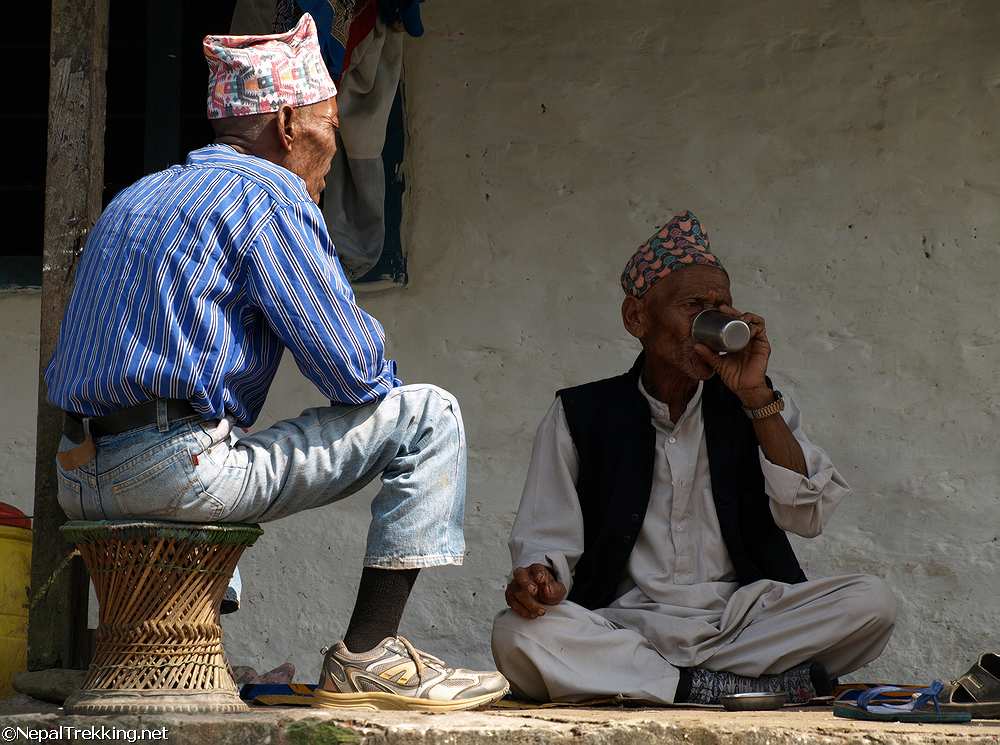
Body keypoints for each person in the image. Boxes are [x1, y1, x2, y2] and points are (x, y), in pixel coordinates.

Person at [45, 14, 507, 712]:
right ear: (289, 124)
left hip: (77, 473)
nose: (335, 141)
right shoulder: (269, 194)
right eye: (328, 121)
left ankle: (199, 654)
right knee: (428, 415)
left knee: (220, 432)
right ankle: (369, 654)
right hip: (174, 474)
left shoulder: (139, 195)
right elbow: (354, 371)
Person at [491, 212, 896, 705]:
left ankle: (669, 684)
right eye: (694, 306)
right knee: (517, 633)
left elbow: (806, 515)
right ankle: (724, 688)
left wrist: (755, 398)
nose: (714, 322)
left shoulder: (757, 405)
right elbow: (545, 535)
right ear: (637, 318)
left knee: (872, 603)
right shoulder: (581, 413)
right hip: (627, 623)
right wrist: (539, 579)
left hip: (745, 621)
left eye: (721, 307)